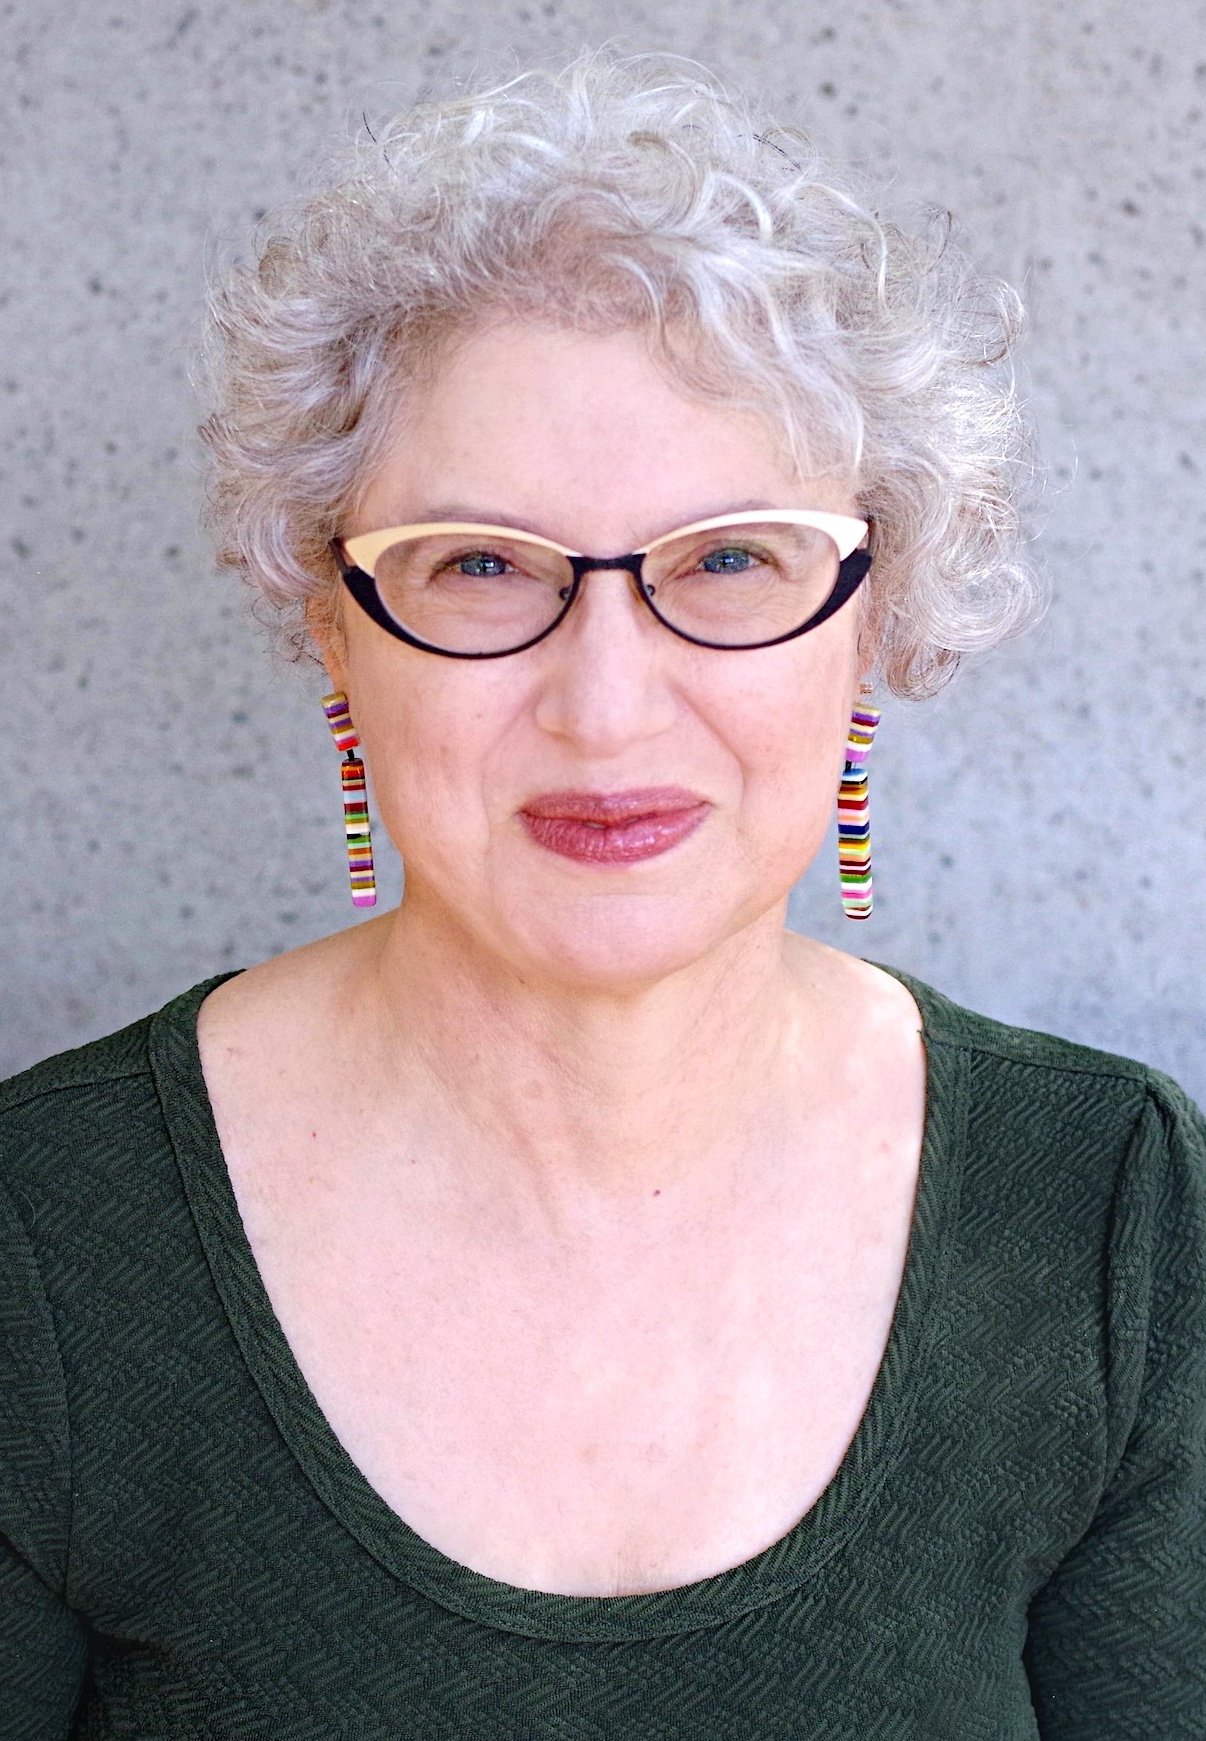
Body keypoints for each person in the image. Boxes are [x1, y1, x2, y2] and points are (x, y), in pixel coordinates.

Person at [2, 51, 1203, 1740]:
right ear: (332, 625)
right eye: (481, 565)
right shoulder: (44, 1240)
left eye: (730, 557)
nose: (606, 704)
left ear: (872, 617)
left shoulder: (1106, 1209)